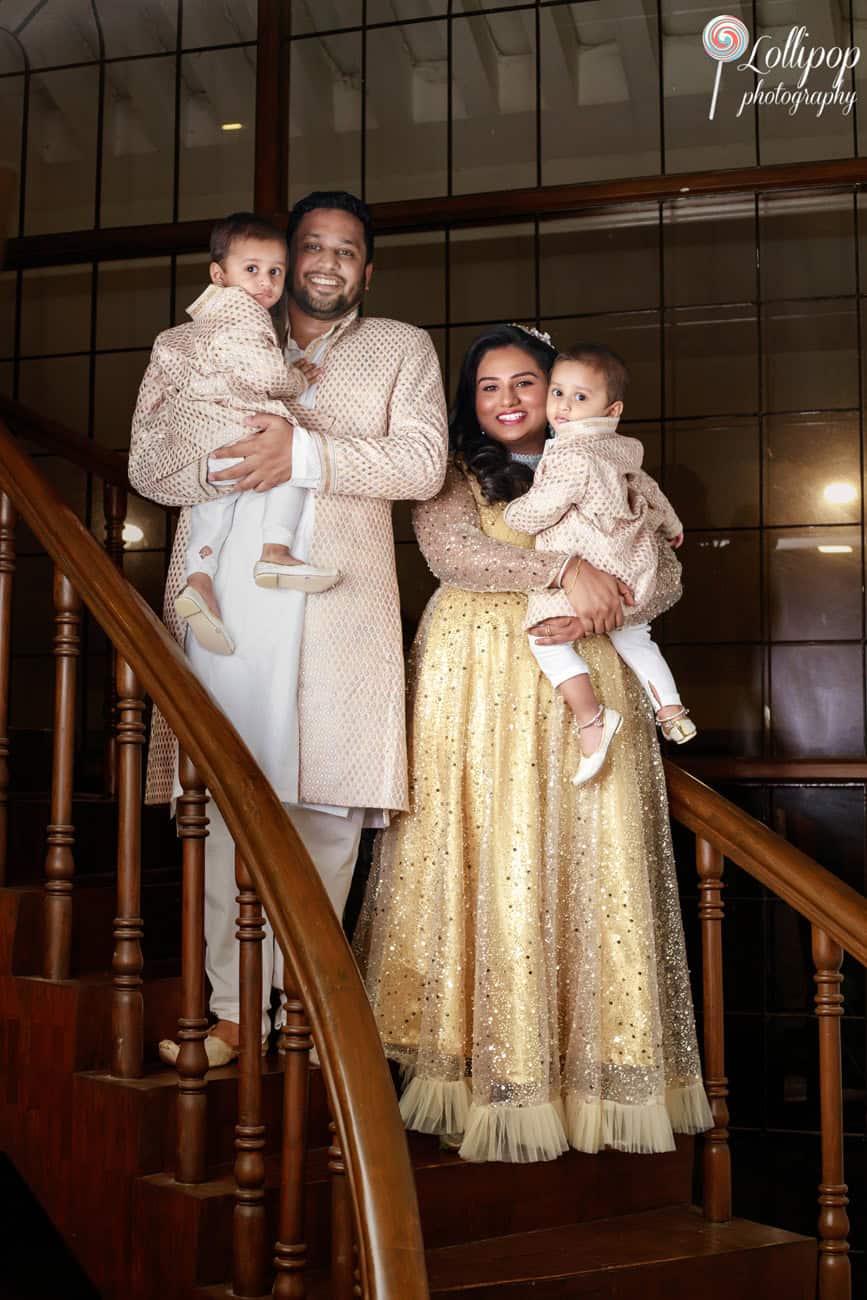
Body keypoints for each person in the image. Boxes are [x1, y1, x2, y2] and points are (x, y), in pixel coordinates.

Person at [353, 324, 712, 1162]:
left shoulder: (602, 464)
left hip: (579, 662)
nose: (509, 400)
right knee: (483, 850)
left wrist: (621, 593)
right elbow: (454, 554)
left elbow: (669, 566)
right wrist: (560, 571)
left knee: (589, 856)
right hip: (474, 674)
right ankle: (474, 1071)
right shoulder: (447, 470)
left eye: (526, 383)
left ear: (557, 392)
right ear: (470, 400)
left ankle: (587, 1073)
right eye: (489, 386)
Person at [128, 191, 448, 1066]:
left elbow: (421, 465)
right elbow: (151, 464)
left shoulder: (400, 348)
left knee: (326, 814)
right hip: (226, 602)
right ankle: (234, 1015)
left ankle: (299, 1009)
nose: (326, 262)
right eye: (312, 245)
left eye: (348, 250)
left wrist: (299, 453)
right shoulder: (207, 340)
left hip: (338, 608)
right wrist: (230, 453)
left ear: (367, 269)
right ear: (271, 258)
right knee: (229, 804)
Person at [144, 212, 340, 658]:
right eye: (251, 269)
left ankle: (199, 580)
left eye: (275, 272)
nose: (265, 283)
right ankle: (275, 550)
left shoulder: (202, 324)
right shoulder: (242, 315)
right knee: (292, 461)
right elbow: (268, 376)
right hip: (240, 431)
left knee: (212, 510)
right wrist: (295, 379)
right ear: (220, 274)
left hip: (205, 450)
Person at [503, 342, 696, 787]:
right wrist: (671, 523)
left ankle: (591, 718)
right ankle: (670, 708)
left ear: (612, 408)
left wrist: (515, 514)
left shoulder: (571, 454)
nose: (564, 407)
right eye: (557, 393)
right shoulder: (619, 448)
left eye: (580, 397)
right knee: (635, 635)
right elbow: (646, 487)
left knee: (545, 640)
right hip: (632, 561)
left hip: (594, 559)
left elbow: (540, 510)